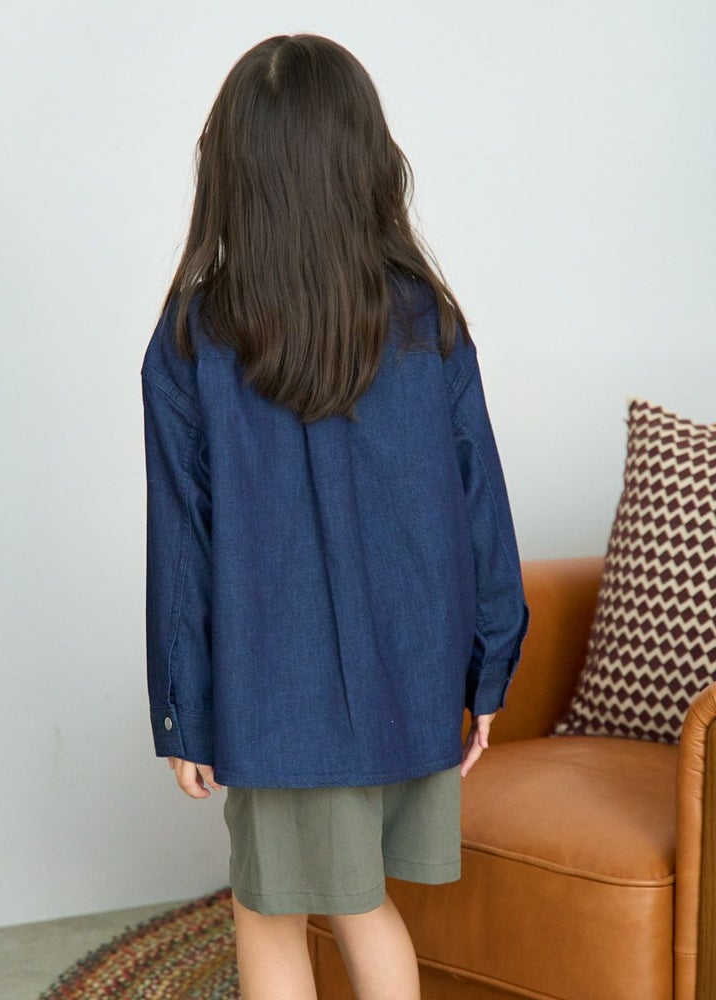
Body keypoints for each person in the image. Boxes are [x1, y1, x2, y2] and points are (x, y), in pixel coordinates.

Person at [140, 32, 530, 1000]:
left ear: (231, 170)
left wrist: (184, 704)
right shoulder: (426, 320)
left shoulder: (194, 339)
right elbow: (481, 506)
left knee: (275, 909)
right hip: (412, 673)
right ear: (366, 161)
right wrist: (488, 667)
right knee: (359, 900)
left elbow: (183, 547)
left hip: (281, 693)